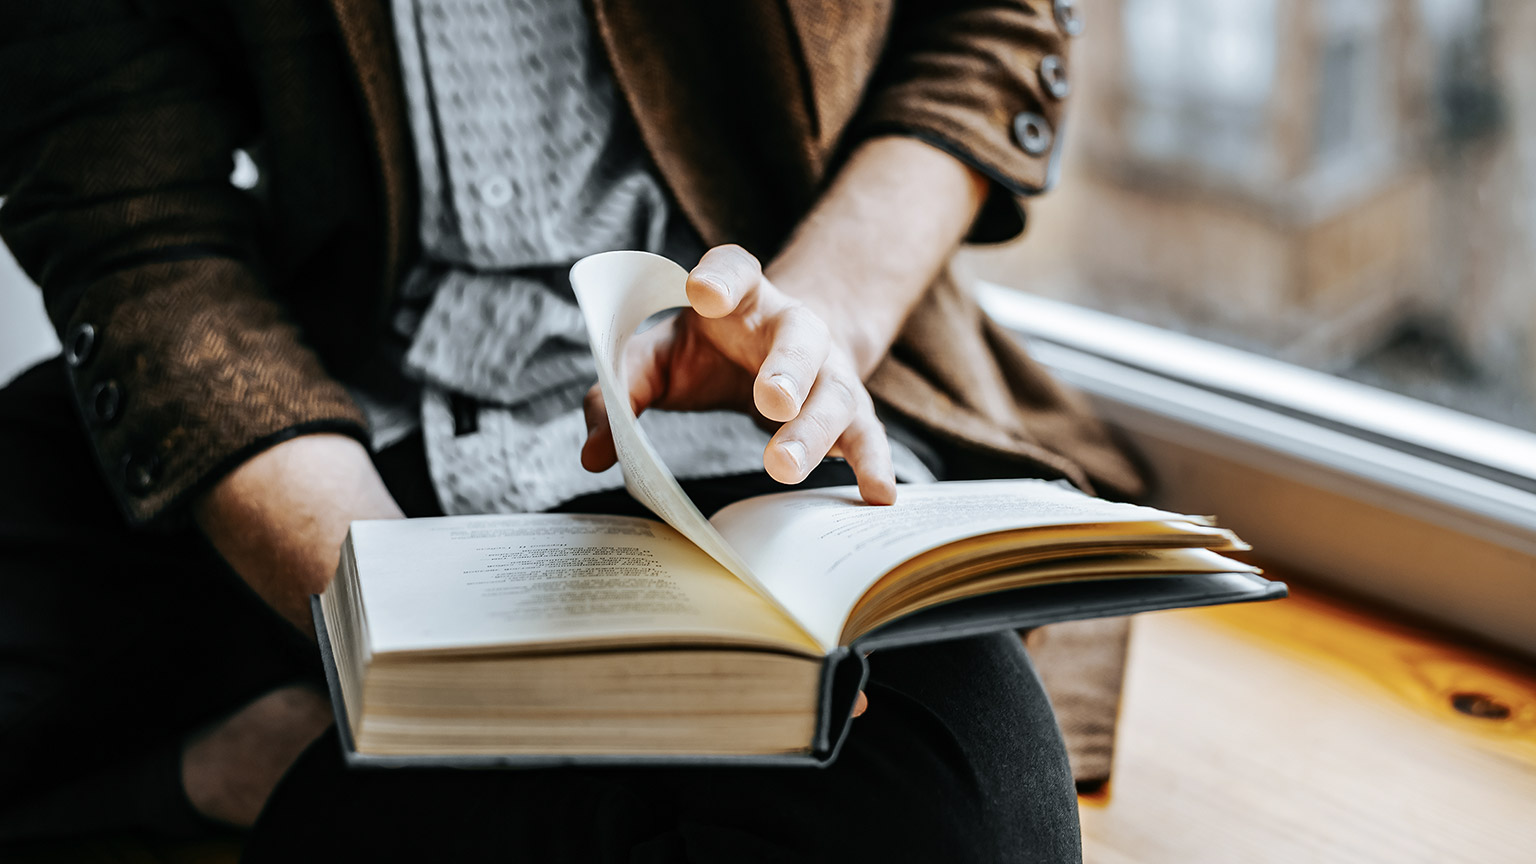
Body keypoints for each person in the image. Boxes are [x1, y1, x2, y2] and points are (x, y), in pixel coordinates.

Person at [0, 0, 1142, 860]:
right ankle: (271, 759)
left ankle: (314, 756)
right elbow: (129, 209)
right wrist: (391, 628)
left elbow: (986, 26)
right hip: (329, 410)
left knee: (961, 814)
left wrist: (814, 322)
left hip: (744, 419)